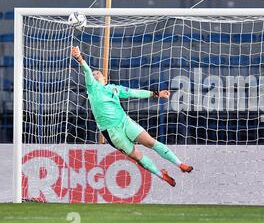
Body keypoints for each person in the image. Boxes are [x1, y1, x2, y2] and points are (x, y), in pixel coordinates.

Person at [71, 46, 193, 187]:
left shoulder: (114, 89)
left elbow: (134, 92)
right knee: (137, 156)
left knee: (150, 142)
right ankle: (162, 175)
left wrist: (156, 93)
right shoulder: (92, 88)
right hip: (111, 132)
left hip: (125, 122)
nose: (95, 74)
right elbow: (86, 70)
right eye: (94, 73)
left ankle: (180, 164)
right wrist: (79, 58)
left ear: (105, 79)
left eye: (98, 73)